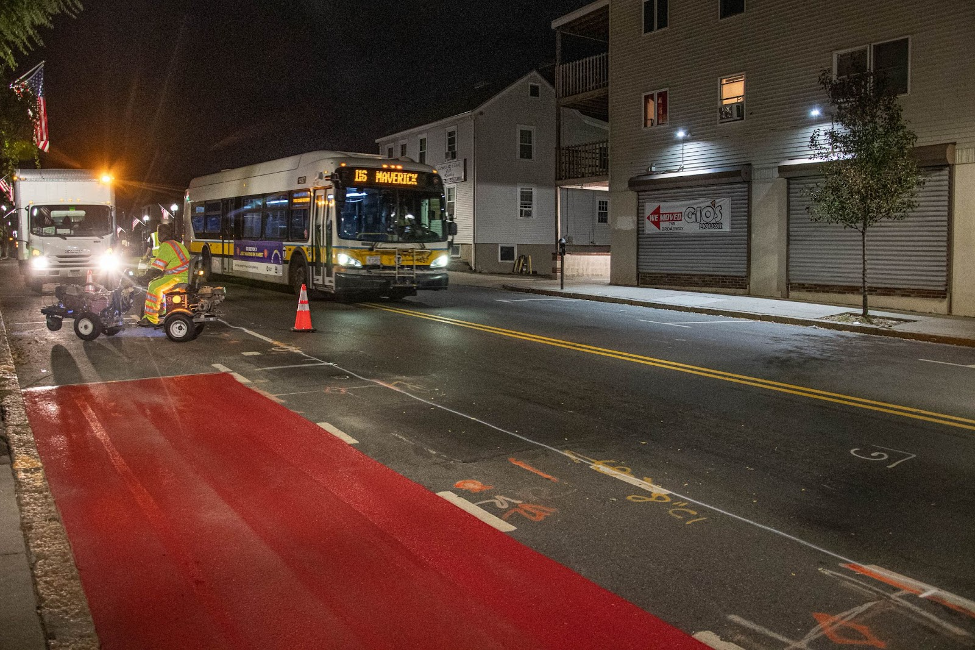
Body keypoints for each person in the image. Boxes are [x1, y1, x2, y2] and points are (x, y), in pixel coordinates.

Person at [138, 223, 190, 326]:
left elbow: (157, 268)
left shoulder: (167, 246)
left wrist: (144, 277)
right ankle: (161, 312)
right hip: (182, 276)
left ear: (161, 235)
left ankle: (151, 318)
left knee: (153, 287)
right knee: (156, 283)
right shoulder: (177, 244)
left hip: (176, 278)